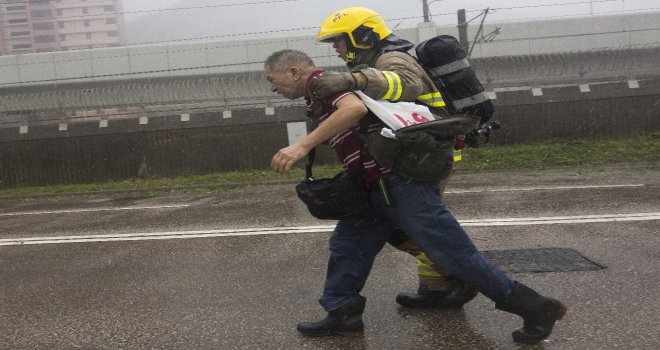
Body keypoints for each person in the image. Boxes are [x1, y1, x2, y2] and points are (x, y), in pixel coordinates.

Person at [265, 49, 567, 344]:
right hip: (372, 186)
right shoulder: (316, 94)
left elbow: (353, 110)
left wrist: (301, 146)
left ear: (294, 71)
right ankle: (342, 314)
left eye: (272, 79)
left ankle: (536, 307)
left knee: (453, 253)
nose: (272, 87)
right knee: (348, 246)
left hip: (400, 184)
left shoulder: (321, 82)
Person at [312, 6, 477, 309]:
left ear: (361, 36)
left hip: (426, 155)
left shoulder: (392, 58)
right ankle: (438, 287)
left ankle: (461, 275)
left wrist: (355, 81)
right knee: (408, 224)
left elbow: (406, 84)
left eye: (338, 40)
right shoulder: (373, 61)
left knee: (415, 225)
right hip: (416, 153)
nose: (336, 47)